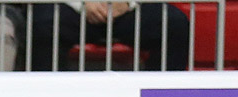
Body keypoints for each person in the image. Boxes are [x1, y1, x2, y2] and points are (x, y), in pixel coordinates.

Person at [31, 2, 190, 71]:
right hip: (71, 8)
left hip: (128, 10)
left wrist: (127, 2)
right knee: (42, 23)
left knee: (174, 24)